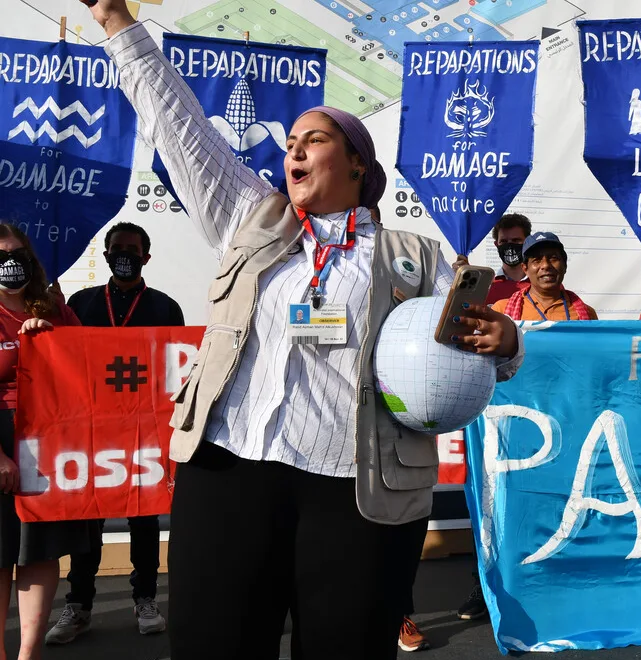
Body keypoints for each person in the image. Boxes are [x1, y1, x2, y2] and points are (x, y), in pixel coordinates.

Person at [84, 2, 523, 659]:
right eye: (290, 140)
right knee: (214, 646)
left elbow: (485, 351)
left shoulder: (413, 256)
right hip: (228, 469)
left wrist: (506, 343)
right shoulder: (251, 216)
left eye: (313, 139)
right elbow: (179, 127)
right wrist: (116, 21)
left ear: (356, 164)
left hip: (353, 488)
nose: (293, 148)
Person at [45, 223, 183, 645]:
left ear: (146, 257)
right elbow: (62, 360)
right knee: (88, 518)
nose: (124, 255)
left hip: (144, 431)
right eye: (117, 248)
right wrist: (49, 313)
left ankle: (145, 598)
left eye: (132, 249)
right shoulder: (81, 302)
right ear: (105, 255)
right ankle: (79, 605)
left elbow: (175, 369)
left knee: (144, 517)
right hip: (92, 430)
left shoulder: (165, 307)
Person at [0, 224, 93, 660]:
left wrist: (55, 342)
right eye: (1, 255)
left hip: (48, 442)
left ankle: (29, 653)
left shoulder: (55, 307)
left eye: (17, 254)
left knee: (39, 550)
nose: (11, 263)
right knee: (0, 553)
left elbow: (87, 364)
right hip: (2, 440)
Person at [492, 232, 597, 321]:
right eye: (537, 260)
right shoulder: (501, 311)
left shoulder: (587, 314)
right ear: (525, 269)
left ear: (564, 266)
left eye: (553, 258)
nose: (546, 265)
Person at [486, 214, 532, 305]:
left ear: (527, 242)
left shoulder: (545, 285)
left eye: (516, 240)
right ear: (496, 245)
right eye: (503, 241)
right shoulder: (486, 288)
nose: (510, 245)